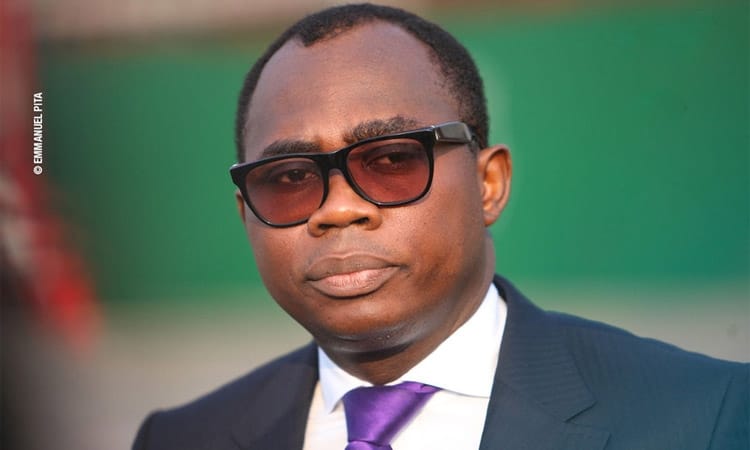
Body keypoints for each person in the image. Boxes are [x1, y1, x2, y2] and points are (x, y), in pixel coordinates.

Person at [133, 4, 748, 449]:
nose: (339, 209)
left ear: (488, 185)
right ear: (246, 214)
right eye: (290, 177)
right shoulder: (183, 437)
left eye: (392, 161)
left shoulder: (704, 417)